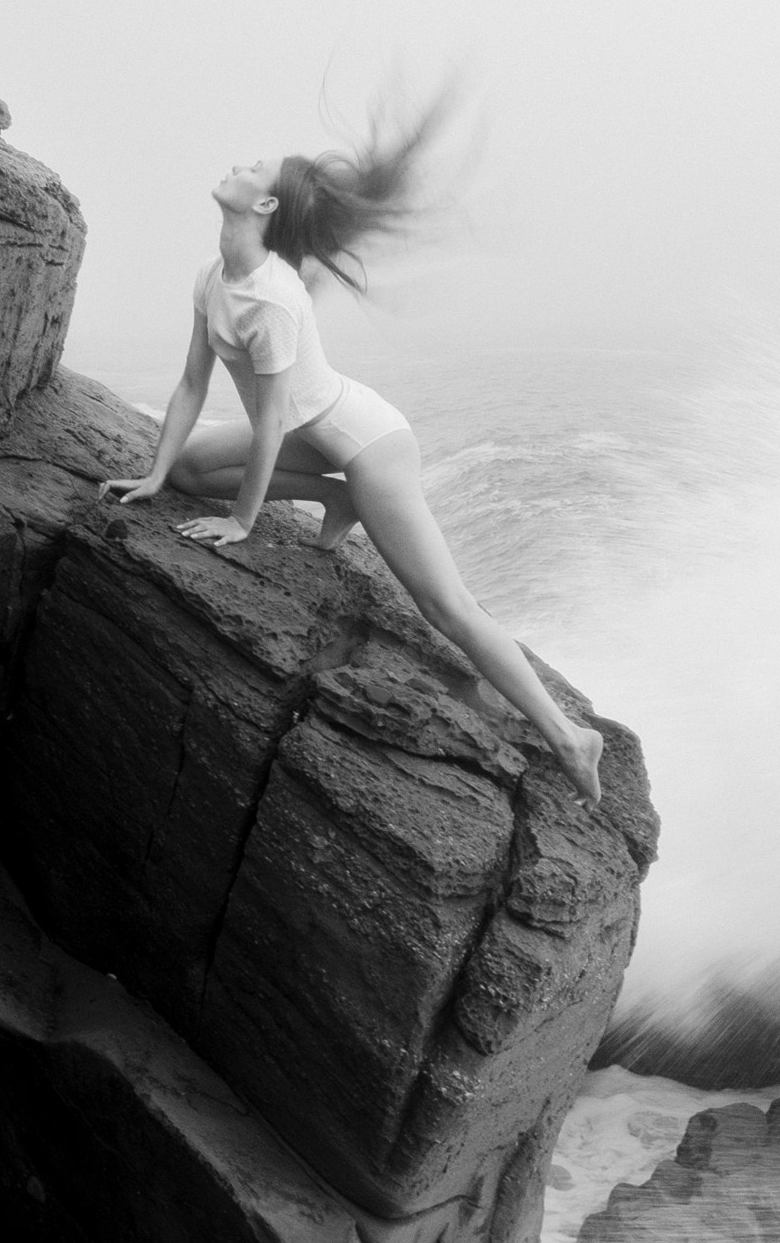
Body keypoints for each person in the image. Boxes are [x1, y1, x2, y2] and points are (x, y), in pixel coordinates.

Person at [99, 107, 604, 799]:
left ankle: (571, 737)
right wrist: (155, 475)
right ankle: (333, 495)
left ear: (266, 205)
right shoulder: (212, 276)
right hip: (312, 433)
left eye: (254, 169)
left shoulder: (273, 301)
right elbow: (192, 381)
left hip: (368, 443)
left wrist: (243, 522)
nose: (240, 166)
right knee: (189, 469)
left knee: (445, 605)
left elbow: (272, 424)